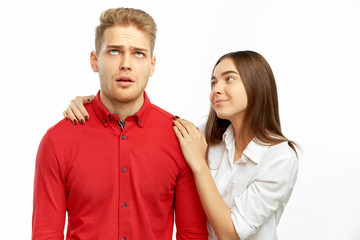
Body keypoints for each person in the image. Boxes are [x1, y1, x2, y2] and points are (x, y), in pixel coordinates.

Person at [65, 50, 299, 240]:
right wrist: (95, 105)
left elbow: (231, 234)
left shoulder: (279, 158)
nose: (216, 90)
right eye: (213, 82)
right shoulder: (204, 136)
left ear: (257, 85)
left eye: (229, 79)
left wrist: (199, 165)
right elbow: (154, 128)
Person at [32, 8, 208, 240]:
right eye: (114, 51)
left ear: (152, 65)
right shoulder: (58, 141)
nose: (126, 64)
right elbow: (46, 234)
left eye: (138, 54)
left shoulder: (181, 139)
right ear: (95, 61)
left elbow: (193, 234)